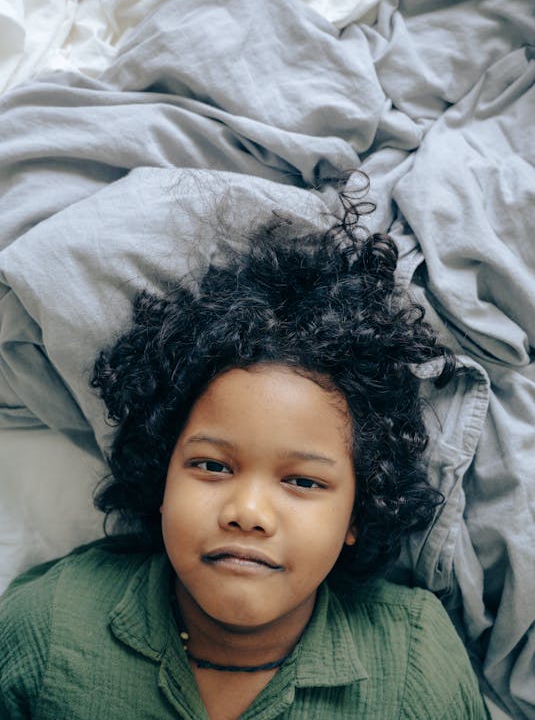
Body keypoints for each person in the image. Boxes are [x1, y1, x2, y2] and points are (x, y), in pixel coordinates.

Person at [0, 199, 490, 719]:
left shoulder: (415, 658)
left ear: (359, 512)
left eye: (303, 481)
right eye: (212, 466)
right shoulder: (47, 626)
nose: (247, 512)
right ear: (161, 475)